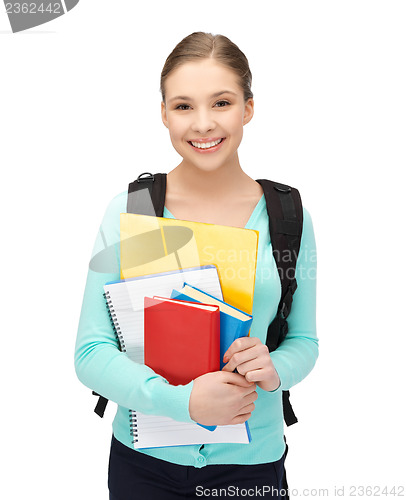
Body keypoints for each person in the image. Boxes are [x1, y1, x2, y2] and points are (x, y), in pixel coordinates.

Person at [75, 31, 318, 500]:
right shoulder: (133, 209)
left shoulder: (288, 217)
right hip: (144, 464)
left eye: (221, 103)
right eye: (184, 106)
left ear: (248, 108)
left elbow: (304, 340)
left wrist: (275, 367)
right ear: (163, 114)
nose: (203, 124)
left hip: (251, 466)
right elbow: (91, 352)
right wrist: (180, 401)